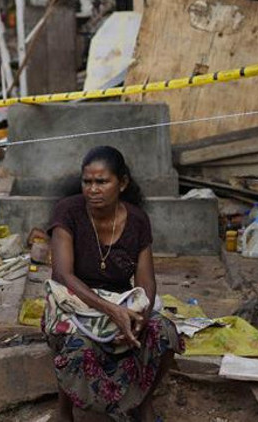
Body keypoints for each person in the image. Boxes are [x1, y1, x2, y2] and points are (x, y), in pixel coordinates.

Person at [45, 146, 183, 422]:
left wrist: (140, 318)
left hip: (119, 303)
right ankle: (64, 410)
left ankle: (142, 402)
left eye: (102, 181)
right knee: (76, 341)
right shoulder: (68, 212)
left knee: (165, 333)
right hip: (73, 301)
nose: (93, 189)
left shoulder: (137, 220)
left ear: (122, 183)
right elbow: (63, 275)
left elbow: (145, 279)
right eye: (88, 182)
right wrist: (111, 311)